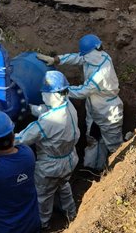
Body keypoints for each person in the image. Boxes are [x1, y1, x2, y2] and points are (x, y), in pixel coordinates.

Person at [37, 35, 124, 171]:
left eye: (85, 54)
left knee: (114, 143)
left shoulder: (101, 72)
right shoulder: (95, 56)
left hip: (108, 110)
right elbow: (78, 58)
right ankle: (93, 167)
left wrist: (62, 90)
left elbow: (83, 91)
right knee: (93, 137)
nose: (83, 57)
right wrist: (56, 59)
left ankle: (119, 169)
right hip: (93, 105)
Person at [14, 71, 80, 230]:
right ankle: (71, 214)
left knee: (43, 195)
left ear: (52, 94)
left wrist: (2, 137)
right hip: (70, 158)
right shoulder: (68, 105)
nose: (43, 95)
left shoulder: (46, 122)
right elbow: (48, 110)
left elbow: (22, 138)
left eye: (44, 92)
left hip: (50, 166)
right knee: (64, 185)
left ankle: (43, 224)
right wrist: (31, 108)